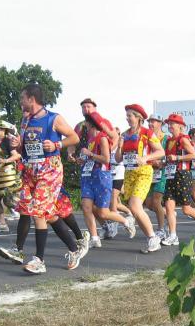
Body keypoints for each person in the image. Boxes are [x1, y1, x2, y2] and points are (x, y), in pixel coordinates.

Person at [0, 84, 81, 274]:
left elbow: (74, 137)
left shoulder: (53, 118)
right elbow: (23, 148)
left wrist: (56, 144)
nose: (20, 101)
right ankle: (74, 248)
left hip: (49, 169)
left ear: (31, 99)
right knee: (41, 213)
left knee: (37, 213)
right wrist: (18, 144)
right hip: (30, 170)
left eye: (22, 98)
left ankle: (39, 260)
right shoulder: (25, 120)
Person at [72, 109, 135, 247]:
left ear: (91, 124)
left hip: (101, 177)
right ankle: (94, 238)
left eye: (86, 123)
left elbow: (106, 159)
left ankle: (126, 221)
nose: (84, 126)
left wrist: (90, 154)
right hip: (88, 176)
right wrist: (82, 160)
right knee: (86, 207)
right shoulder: (90, 139)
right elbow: (91, 158)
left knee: (103, 212)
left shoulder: (102, 138)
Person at [161, 113, 195, 245]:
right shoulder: (169, 141)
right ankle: (173, 236)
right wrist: (163, 163)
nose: (170, 126)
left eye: (172, 123)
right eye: (169, 123)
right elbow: (169, 159)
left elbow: (193, 155)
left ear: (180, 126)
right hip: (170, 175)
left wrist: (177, 158)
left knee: (186, 209)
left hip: (183, 175)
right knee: (169, 206)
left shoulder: (183, 139)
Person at [120, 104, 164, 253]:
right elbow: (118, 158)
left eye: (129, 116)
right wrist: (119, 146)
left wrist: (145, 158)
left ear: (138, 117)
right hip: (129, 174)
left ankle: (153, 237)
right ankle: (151, 238)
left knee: (134, 206)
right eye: (126, 116)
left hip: (144, 172)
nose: (127, 118)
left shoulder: (147, 133)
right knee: (135, 209)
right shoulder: (124, 135)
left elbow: (161, 152)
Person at [0, 120, 22, 233]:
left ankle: (29, 210)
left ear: (4, 131)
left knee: (9, 200)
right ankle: (2, 223)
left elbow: (17, 155)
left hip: (8, 174)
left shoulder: (8, 141)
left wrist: (5, 160)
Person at [145, 113, 168, 239]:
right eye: (149, 121)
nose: (150, 124)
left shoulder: (166, 139)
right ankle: (167, 215)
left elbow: (170, 155)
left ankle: (161, 229)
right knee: (149, 204)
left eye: (153, 121)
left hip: (162, 173)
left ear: (160, 123)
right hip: (150, 172)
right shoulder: (147, 137)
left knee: (156, 201)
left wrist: (162, 162)